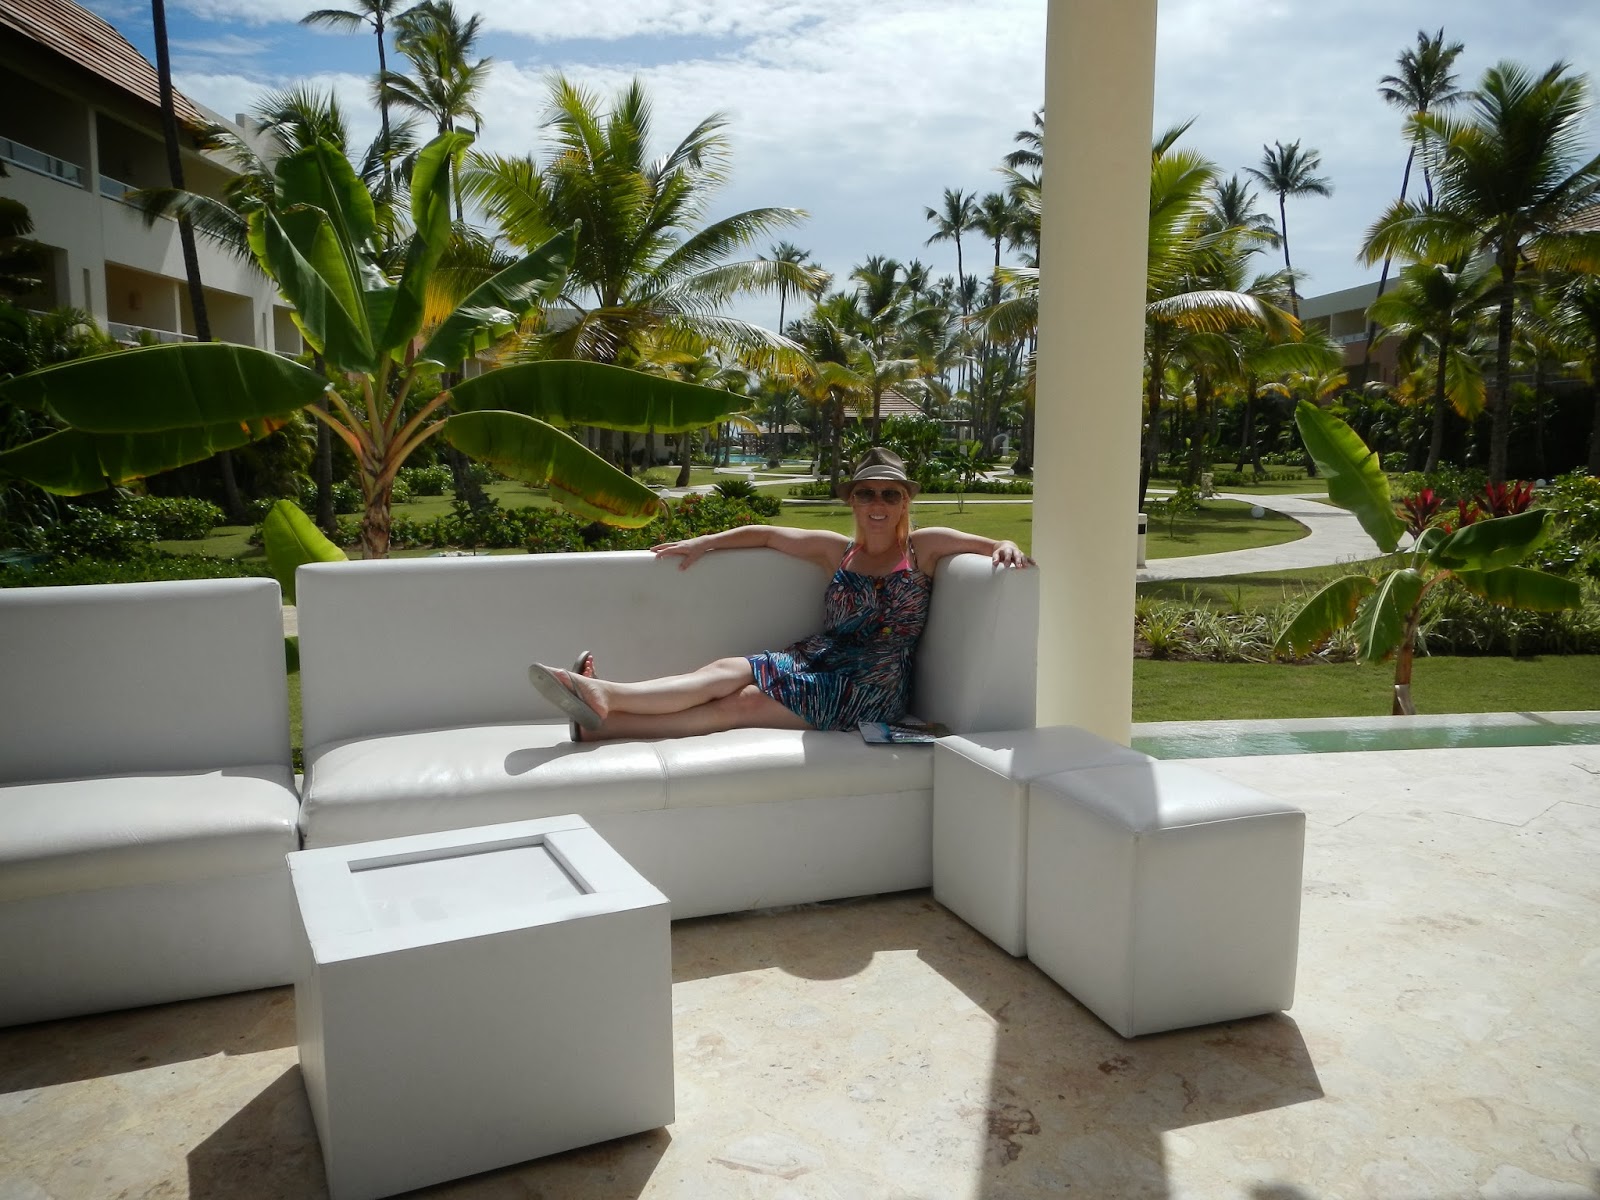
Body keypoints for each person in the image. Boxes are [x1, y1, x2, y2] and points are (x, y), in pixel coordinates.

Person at [528, 448, 1033, 742]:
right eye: (866, 493)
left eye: (890, 494)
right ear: (853, 502)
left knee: (743, 705)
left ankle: (604, 711)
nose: (877, 502)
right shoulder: (838, 552)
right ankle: (604, 700)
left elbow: (991, 545)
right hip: (817, 658)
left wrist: (1006, 546)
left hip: (869, 688)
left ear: (904, 503)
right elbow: (768, 534)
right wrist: (705, 542)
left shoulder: (923, 548)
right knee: (724, 670)